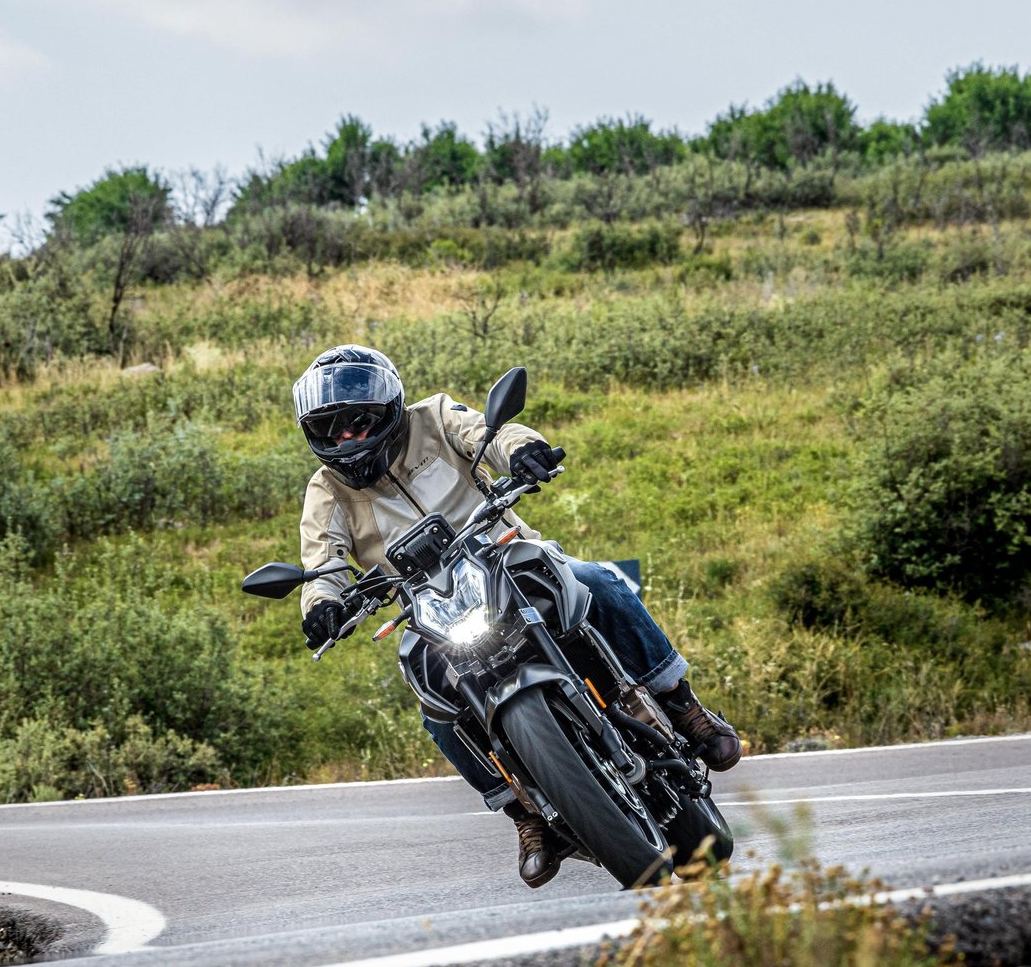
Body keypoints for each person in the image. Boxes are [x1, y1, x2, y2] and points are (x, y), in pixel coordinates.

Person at [292, 345, 741, 887]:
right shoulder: (326, 490)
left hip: (503, 554)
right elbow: (322, 559)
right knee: (436, 709)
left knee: (597, 580)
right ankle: (525, 814)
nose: (349, 438)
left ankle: (682, 704)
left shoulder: (432, 418)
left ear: (388, 408)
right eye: (332, 429)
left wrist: (525, 450)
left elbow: (490, 434)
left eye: (359, 422)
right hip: (431, 605)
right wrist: (323, 605)